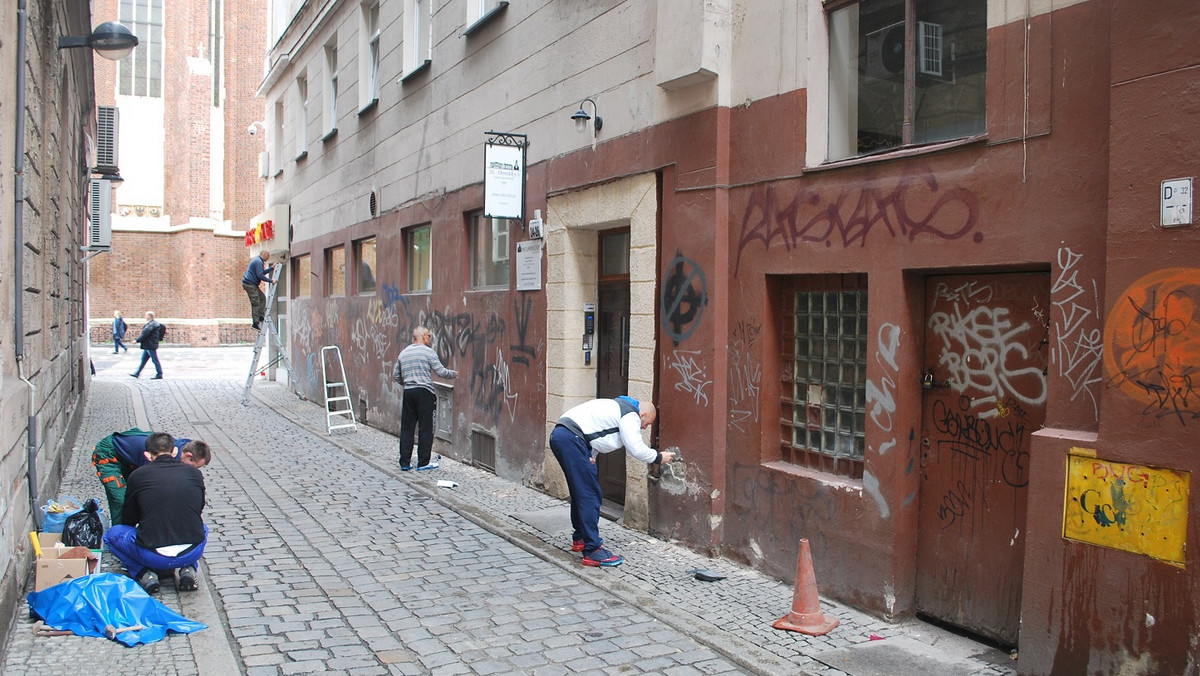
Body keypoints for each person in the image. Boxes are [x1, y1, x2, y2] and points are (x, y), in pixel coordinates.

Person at [550, 396, 676, 567]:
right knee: (590, 495)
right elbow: (636, 448)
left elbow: (594, 433)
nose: (645, 428)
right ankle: (593, 551)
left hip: (564, 436)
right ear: (643, 414)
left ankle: (580, 538)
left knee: (580, 491)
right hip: (572, 439)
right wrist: (659, 457)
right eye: (647, 423)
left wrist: (590, 456)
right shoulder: (630, 414)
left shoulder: (617, 406)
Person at [104, 432, 208, 594]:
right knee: (203, 527)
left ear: (147, 455)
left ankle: (144, 573)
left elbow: (129, 519)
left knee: (111, 535)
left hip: (153, 555)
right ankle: (188, 568)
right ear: (174, 452)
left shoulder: (137, 476)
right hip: (191, 551)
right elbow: (197, 509)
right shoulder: (195, 473)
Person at [91, 428, 211, 525]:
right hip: (109, 454)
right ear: (188, 455)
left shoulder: (185, 447)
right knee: (121, 500)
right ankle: (119, 536)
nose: (192, 471)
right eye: (194, 467)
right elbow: (150, 486)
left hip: (133, 456)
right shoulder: (156, 458)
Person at [393, 326, 457, 471]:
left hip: (409, 392)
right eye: (428, 335)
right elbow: (440, 371)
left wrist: (408, 383)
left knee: (407, 428)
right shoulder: (428, 352)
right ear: (421, 337)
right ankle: (423, 462)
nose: (430, 338)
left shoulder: (403, 353)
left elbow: (396, 375)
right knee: (426, 428)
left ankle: (405, 462)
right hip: (425, 393)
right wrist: (454, 374)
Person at [241, 250, 275, 330]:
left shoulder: (259, 261)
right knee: (256, 302)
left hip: (252, 284)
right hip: (249, 284)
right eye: (268, 256)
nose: (268, 258)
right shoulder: (258, 261)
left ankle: (260, 316)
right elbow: (260, 275)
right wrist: (271, 281)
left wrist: (271, 268)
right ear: (264, 254)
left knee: (262, 298)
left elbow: (261, 272)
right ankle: (255, 323)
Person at [130, 311, 164, 379]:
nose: (145, 317)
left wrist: (137, 340)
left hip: (150, 345)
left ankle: (159, 374)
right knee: (143, 360)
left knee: (155, 360)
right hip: (149, 345)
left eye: (146, 315)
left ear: (149, 316)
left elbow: (145, 334)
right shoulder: (154, 324)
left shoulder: (151, 325)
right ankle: (137, 373)